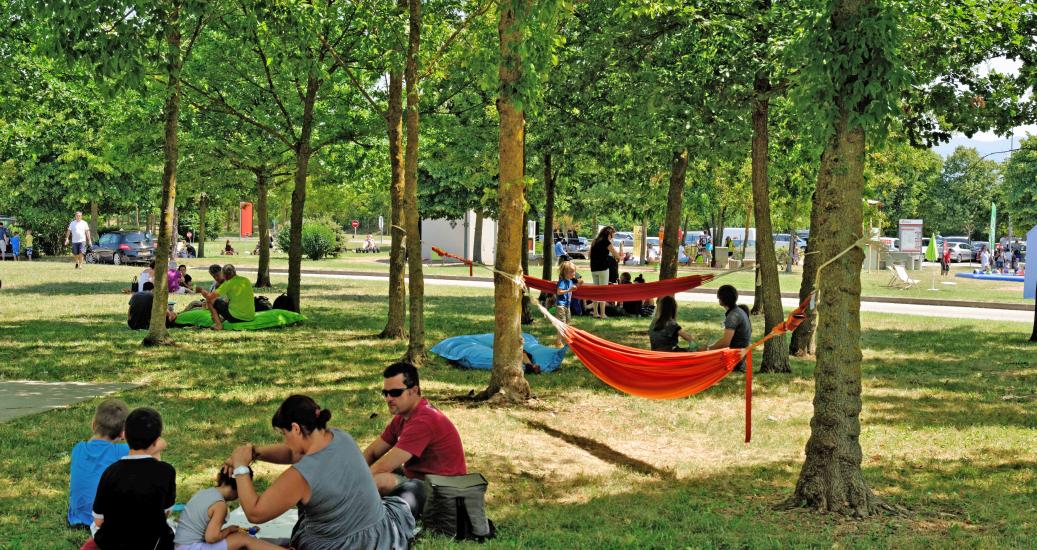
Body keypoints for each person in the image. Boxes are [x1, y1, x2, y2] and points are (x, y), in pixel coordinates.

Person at [223, 395, 416, 550]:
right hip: (381, 535)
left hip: (341, 544)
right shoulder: (339, 437)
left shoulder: (301, 475)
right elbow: (293, 453)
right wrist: (254, 453)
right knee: (411, 491)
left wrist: (241, 468)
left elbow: (255, 513)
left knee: (244, 541)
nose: (284, 441)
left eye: (284, 434)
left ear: (296, 429)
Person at [364, 363, 467, 496]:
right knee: (375, 473)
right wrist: (351, 474)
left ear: (413, 391)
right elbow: (372, 453)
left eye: (395, 392)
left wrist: (351, 483)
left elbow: (383, 466)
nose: (388, 398)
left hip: (444, 494)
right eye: (385, 393)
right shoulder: (403, 417)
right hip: (421, 482)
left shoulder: (423, 421)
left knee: (380, 481)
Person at [85, 407, 176, 550]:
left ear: (125, 435)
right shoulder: (167, 471)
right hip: (152, 543)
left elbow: (98, 521)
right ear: (156, 441)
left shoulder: (110, 472)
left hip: (112, 542)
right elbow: (167, 511)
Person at [173, 467, 282, 550]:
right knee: (243, 538)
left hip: (178, 545)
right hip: (191, 547)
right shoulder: (220, 505)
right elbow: (211, 538)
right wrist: (229, 530)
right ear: (239, 487)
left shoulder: (203, 492)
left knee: (235, 538)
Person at [68, 399, 130, 529]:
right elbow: (150, 450)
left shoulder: (78, 448)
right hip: (105, 519)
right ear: (123, 433)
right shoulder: (122, 451)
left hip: (78, 517)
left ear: (93, 424)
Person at [700, 284, 752, 372]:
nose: (717, 298)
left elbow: (725, 343)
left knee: (700, 361)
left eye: (718, 296)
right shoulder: (738, 311)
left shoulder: (733, 316)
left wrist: (707, 349)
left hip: (735, 359)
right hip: (740, 356)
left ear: (722, 299)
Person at [200, 264, 255, 330]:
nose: (216, 278)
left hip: (236, 318)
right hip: (250, 316)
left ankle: (218, 325)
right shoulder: (246, 280)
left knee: (210, 301)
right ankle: (221, 320)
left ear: (224, 275)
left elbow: (209, 297)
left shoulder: (227, 283)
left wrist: (200, 290)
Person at [588, 226, 621, 319]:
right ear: (609, 234)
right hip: (603, 268)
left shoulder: (594, 241)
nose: (612, 237)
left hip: (594, 268)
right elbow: (616, 255)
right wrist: (617, 257)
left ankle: (595, 313)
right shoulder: (606, 242)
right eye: (612, 235)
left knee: (596, 291)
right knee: (603, 291)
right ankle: (602, 314)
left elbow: (589, 254)